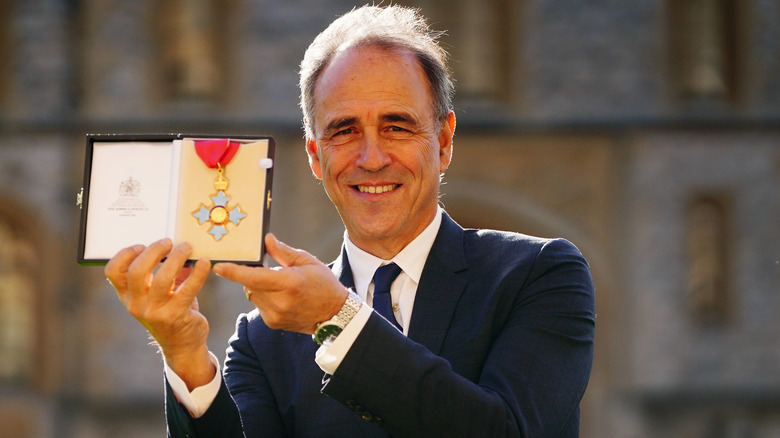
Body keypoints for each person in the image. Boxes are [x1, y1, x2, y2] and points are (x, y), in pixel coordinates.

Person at [105, 5, 595, 437]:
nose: (372, 157)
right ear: (316, 156)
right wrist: (186, 357)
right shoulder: (262, 339)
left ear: (444, 140)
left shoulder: (539, 276)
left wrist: (337, 319)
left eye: (397, 126)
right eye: (344, 131)